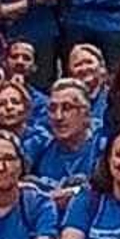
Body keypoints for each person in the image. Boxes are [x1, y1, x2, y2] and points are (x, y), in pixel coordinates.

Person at [26, 79, 101, 208]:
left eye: (67, 108)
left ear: (86, 114)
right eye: (52, 109)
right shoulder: (40, 146)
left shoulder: (103, 147)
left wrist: (75, 192)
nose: (58, 117)